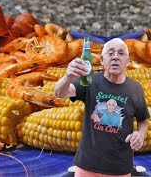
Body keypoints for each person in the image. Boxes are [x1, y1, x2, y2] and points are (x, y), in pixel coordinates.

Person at [54, 38, 150, 176]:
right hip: (87, 165)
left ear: (127, 61)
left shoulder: (135, 88)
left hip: (120, 168)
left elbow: (143, 121)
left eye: (121, 53)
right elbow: (60, 93)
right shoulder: (90, 81)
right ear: (102, 60)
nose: (115, 57)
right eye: (110, 53)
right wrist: (68, 77)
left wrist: (140, 135)